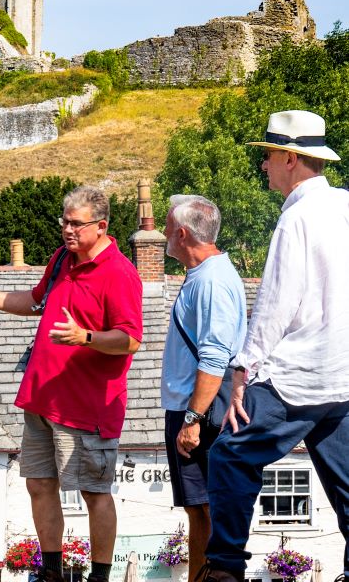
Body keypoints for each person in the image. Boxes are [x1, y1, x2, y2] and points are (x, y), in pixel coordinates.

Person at [0, 185, 143, 582]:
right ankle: (51, 572)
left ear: (101, 226)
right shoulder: (61, 260)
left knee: (93, 493)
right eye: (64, 222)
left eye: (76, 224)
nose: (67, 231)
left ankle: (99, 577)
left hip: (87, 407)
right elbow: (36, 301)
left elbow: (130, 339)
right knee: (38, 484)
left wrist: (85, 337)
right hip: (42, 398)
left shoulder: (120, 274)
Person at [203, 110, 349, 582]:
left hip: (299, 376)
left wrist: (243, 370)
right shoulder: (345, 205)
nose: (263, 166)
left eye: (266, 156)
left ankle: (224, 569)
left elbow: (276, 303)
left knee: (229, 454)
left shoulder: (297, 218)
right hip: (344, 377)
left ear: (289, 157)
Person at [160, 195, 246, 582]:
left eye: (166, 228)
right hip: (195, 406)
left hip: (200, 409)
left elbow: (214, 358)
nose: (162, 235)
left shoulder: (210, 281)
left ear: (181, 234)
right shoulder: (206, 275)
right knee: (199, 507)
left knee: (207, 506)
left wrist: (192, 420)